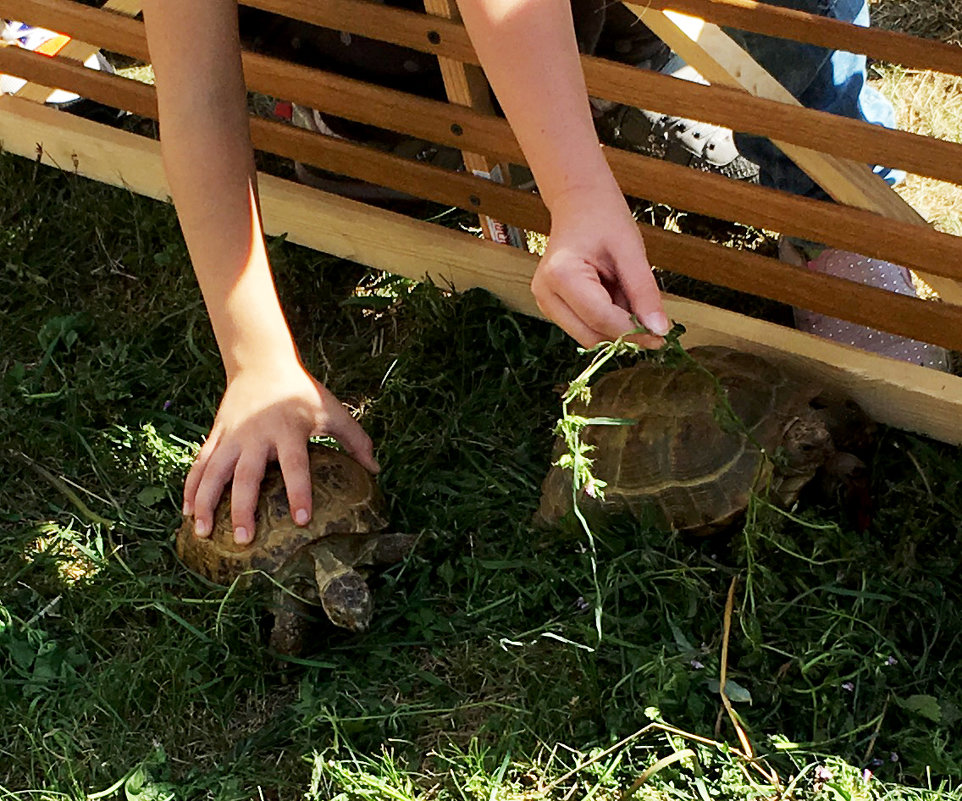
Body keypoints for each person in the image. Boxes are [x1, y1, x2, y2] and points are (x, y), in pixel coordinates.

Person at [141, 0, 936, 549]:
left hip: (565, 26)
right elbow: (197, 87)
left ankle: (793, 182)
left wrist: (576, 188)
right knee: (394, 146)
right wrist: (256, 359)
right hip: (375, 60)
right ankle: (363, 125)